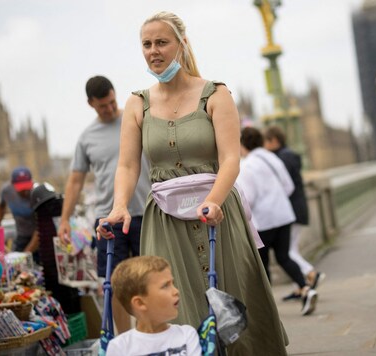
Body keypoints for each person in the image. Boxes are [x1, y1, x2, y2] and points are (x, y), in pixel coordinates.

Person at [98, 11, 288, 355]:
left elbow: (231, 158)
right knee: (176, 305)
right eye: (146, 44)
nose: (153, 51)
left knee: (236, 306)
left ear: (181, 45)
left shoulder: (216, 94)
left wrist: (214, 200)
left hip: (216, 214)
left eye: (161, 42)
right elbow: (127, 164)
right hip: (166, 222)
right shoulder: (137, 103)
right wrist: (120, 205)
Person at [57, 75, 151, 334]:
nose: (109, 109)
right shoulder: (87, 137)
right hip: (108, 218)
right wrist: (65, 219)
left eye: (112, 102)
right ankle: (124, 341)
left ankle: (151, 334)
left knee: (151, 278)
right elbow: (75, 181)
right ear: (91, 104)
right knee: (115, 283)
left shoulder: (136, 120)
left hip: (145, 212)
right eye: (103, 106)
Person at [237, 126, 318, 316]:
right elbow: (288, 186)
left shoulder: (247, 165)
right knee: (284, 257)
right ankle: (306, 288)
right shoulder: (272, 158)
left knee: (262, 264)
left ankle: (268, 308)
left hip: (263, 221)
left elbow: (248, 197)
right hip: (284, 214)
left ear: (243, 145)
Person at [264, 125, 325, 300]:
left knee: (288, 253)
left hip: (292, 210)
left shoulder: (283, 158)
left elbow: (284, 185)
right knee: (292, 249)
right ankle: (299, 287)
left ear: (274, 141)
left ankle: (311, 273)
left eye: (266, 142)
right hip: (297, 208)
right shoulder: (287, 155)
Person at [106, 255, 201, 356]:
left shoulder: (187, 335)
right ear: (140, 303)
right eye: (165, 286)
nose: (176, 291)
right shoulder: (120, 347)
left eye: (173, 283)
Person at [0, 166, 39, 261]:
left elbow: (39, 229)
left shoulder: (37, 192)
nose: (25, 191)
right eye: (21, 188)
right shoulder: (6, 191)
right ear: (12, 184)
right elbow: (0, 207)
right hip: (21, 235)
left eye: (27, 187)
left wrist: (24, 256)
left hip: (39, 237)